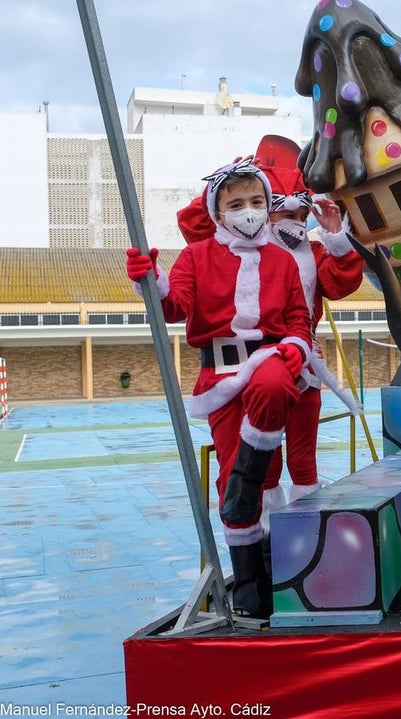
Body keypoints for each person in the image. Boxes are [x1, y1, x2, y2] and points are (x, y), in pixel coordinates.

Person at [126, 159, 312, 617]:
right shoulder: (196, 257)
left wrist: (295, 347)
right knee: (241, 483)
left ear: (268, 205)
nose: (247, 211)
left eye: (255, 201)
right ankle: (251, 584)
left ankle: (247, 485)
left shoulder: (284, 260)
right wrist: (151, 279)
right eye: (235, 204)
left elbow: (297, 321)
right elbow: (174, 305)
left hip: (270, 361)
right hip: (221, 379)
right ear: (218, 211)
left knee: (270, 382)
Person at [177, 158, 365, 526]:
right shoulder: (241, 250)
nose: (292, 220)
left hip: (303, 361)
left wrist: (336, 238)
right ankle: (265, 532)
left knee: (303, 456)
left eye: (299, 212)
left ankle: (305, 534)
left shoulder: (312, 252)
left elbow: (340, 283)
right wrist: (221, 181)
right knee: (266, 460)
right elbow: (194, 224)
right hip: (254, 367)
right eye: (282, 210)